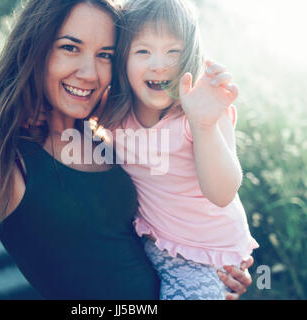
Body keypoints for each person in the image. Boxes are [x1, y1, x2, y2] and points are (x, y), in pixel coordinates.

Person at [0, 0, 253, 300]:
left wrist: (209, 272)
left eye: (105, 55)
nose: (88, 72)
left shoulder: (107, 133)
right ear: (34, 47)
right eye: (70, 47)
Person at [98, 0, 259, 300]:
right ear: (122, 59)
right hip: (157, 241)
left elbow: (223, 193)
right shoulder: (116, 113)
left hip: (208, 255)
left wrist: (204, 125)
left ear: (191, 57)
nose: (159, 64)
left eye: (173, 51)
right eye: (143, 51)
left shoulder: (202, 111)